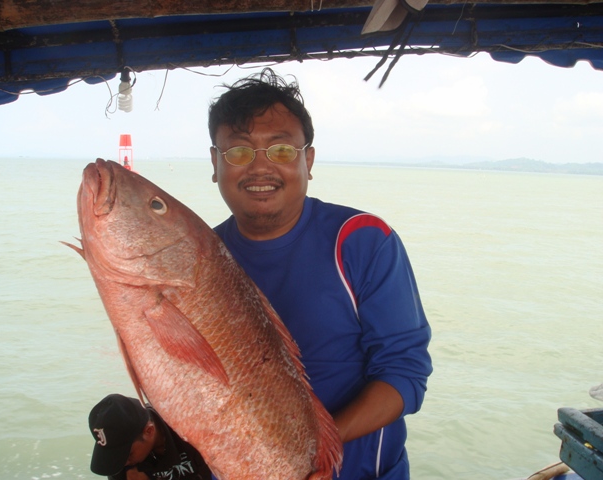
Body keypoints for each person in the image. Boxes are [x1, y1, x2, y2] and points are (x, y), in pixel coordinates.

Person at [208, 68, 433, 479]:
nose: (260, 168)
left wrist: (315, 453)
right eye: (238, 152)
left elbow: (405, 374)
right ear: (215, 163)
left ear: (308, 160)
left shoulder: (363, 241)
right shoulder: (202, 257)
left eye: (280, 150)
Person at [88, 393, 212, 480]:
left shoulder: (192, 432)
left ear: (149, 431)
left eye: (128, 454)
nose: (123, 463)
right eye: (116, 455)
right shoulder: (121, 463)